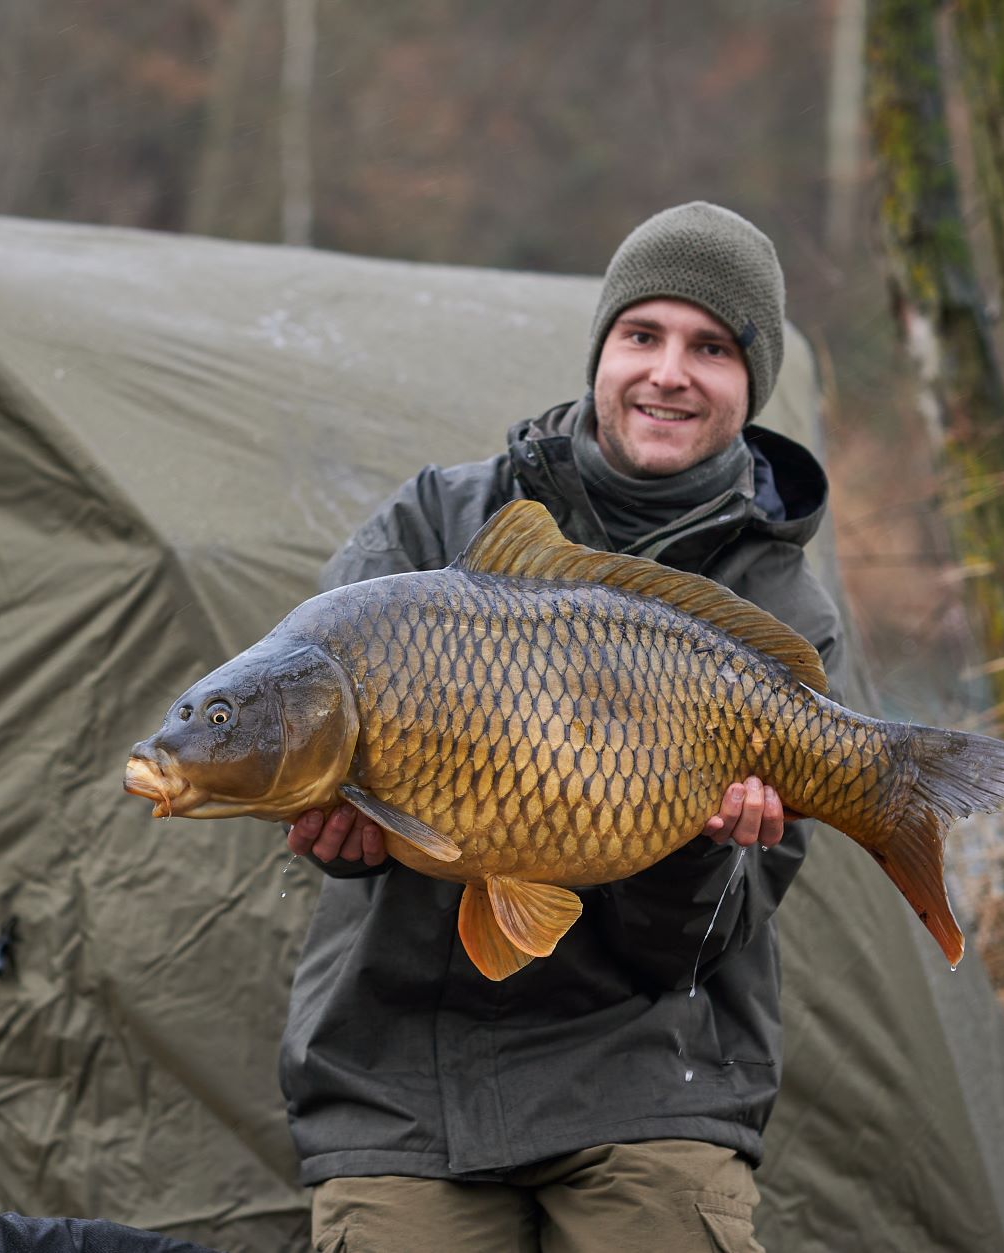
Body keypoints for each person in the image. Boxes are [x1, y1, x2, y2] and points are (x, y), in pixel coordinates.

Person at [280, 202, 846, 1253]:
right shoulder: (433, 523)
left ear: (753, 380)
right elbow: (307, 734)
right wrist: (338, 835)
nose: (668, 373)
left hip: (651, 1071)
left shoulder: (780, 608)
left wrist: (704, 846)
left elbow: (699, 945)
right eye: (642, 334)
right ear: (600, 351)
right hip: (403, 1073)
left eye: (711, 347)